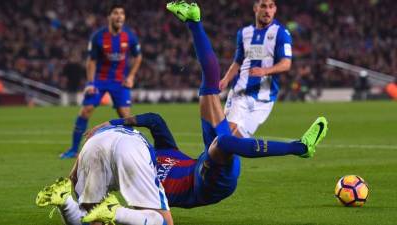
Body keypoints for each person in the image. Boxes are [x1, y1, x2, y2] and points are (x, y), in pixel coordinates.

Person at [78, 1, 328, 209]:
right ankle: (299, 147)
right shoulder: (141, 183)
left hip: (205, 160)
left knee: (207, 89)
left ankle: (194, 20)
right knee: (226, 142)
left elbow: (154, 120)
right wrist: (110, 207)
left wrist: (113, 123)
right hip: (207, 186)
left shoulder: (157, 153)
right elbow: (154, 213)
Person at [36, 125, 174, 225]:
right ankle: (115, 211)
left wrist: (74, 172)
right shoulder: (140, 141)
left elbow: (88, 144)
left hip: (92, 148)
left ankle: (65, 201)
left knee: (92, 217)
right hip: (131, 149)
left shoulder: (102, 131)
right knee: (164, 222)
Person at [60, 2, 143, 159]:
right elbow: (91, 61)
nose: (119, 16)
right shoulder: (98, 36)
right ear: (109, 16)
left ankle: (132, 149)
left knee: (125, 115)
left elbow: (138, 56)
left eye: (122, 13)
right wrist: (91, 83)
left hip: (120, 81)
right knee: (86, 110)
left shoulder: (129, 36)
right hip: (100, 79)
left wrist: (131, 76)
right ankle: (73, 149)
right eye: (116, 13)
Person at [219, 0, 293, 137]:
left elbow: (286, 63)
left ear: (275, 9)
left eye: (271, 7)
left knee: (238, 141)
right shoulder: (244, 33)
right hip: (240, 93)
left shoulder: (281, 33)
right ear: (255, 8)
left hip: (264, 99)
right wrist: (225, 79)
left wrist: (265, 71)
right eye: (263, 6)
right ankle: (208, 158)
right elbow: (237, 62)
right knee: (225, 138)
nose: (267, 10)